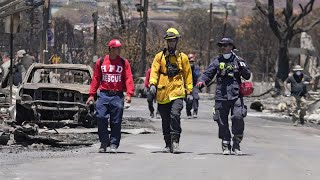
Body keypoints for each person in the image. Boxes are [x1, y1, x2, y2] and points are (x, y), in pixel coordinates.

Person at [196, 37, 251, 155]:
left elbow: (247, 76)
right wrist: (202, 80)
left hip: (236, 95)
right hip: (221, 95)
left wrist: (243, 68)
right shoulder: (217, 61)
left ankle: (236, 143)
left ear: (231, 47)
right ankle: (226, 142)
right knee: (221, 120)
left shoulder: (238, 60)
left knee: (238, 116)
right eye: (221, 46)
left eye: (225, 45)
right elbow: (208, 73)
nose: (222, 48)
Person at [149, 28, 193, 153]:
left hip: (177, 92)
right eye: (169, 41)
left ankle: (175, 141)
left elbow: (188, 75)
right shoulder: (159, 57)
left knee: (175, 115)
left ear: (177, 41)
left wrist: (189, 91)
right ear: (166, 42)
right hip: (163, 94)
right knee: (165, 120)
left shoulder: (183, 58)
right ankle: (168, 144)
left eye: (173, 41)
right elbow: (154, 71)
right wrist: (152, 84)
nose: (171, 43)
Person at [86, 39, 134, 153]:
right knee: (101, 117)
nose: (119, 50)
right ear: (111, 49)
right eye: (117, 48)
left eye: (119, 48)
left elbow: (128, 78)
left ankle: (113, 143)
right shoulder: (101, 62)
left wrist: (129, 94)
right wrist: (91, 95)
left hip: (117, 95)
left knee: (116, 121)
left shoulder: (123, 62)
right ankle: (104, 142)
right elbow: (96, 79)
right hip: (103, 94)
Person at [186, 53, 201, 119]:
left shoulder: (196, 67)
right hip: (186, 85)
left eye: (192, 61)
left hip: (194, 85)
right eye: (190, 61)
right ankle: (188, 112)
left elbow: (197, 75)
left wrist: (192, 70)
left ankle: (195, 111)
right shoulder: (185, 67)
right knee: (189, 99)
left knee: (196, 97)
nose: (191, 63)